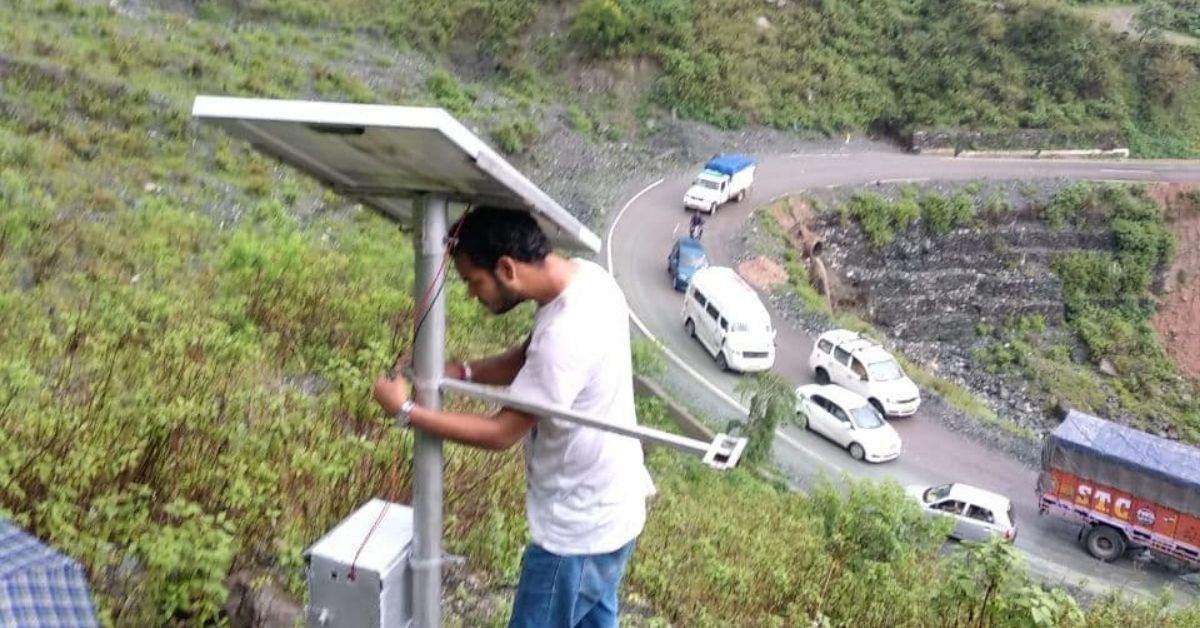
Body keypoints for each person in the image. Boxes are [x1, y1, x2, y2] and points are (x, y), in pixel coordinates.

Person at [372, 206, 655, 628]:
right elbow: (528, 357)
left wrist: (405, 411)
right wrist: (460, 371)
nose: (471, 294)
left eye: (473, 281)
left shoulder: (566, 335)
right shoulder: (586, 279)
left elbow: (501, 431)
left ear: (506, 267)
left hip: (577, 534)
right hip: (615, 512)